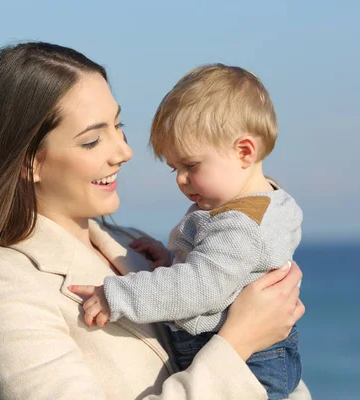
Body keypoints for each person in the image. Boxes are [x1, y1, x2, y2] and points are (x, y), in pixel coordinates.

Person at [0, 42, 310, 400]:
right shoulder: (0, 287)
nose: (124, 151)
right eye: (92, 140)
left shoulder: (133, 244)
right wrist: (239, 341)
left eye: (118, 126)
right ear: (29, 161)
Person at [69, 64, 302, 399]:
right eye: (174, 168)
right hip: (259, 356)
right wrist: (175, 258)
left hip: (250, 364)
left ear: (245, 151)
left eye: (191, 166)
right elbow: (221, 274)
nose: (181, 179)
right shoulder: (259, 207)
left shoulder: (241, 226)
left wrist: (116, 296)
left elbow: (200, 287)